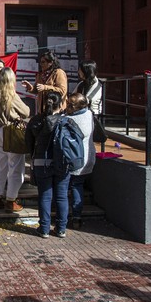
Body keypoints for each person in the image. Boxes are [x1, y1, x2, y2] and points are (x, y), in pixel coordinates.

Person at [25, 90, 68, 239]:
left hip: (41, 161)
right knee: (62, 197)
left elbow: (28, 142)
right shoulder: (66, 121)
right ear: (61, 104)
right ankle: (61, 229)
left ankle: (44, 228)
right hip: (62, 163)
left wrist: (33, 156)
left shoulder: (36, 120)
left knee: (45, 196)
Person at [0, 67, 31, 212]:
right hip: (11, 131)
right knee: (16, 168)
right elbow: (26, 111)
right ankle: (11, 200)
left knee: (1, 166)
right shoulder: (11, 95)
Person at [65, 92, 96, 230]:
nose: (67, 106)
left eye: (70, 105)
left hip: (73, 159)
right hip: (88, 158)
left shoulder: (69, 120)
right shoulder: (89, 115)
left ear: (75, 107)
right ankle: (76, 217)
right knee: (78, 186)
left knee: (66, 188)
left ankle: (64, 216)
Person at [22, 50, 68, 115]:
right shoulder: (40, 74)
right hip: (42, 110)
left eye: (43, 62)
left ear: (51, 62)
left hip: (56, 110)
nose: (41, 64)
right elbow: (37, 90)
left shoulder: (58, 72)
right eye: (40, 62)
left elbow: (62, 90)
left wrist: (45, 87)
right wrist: (30, 88)